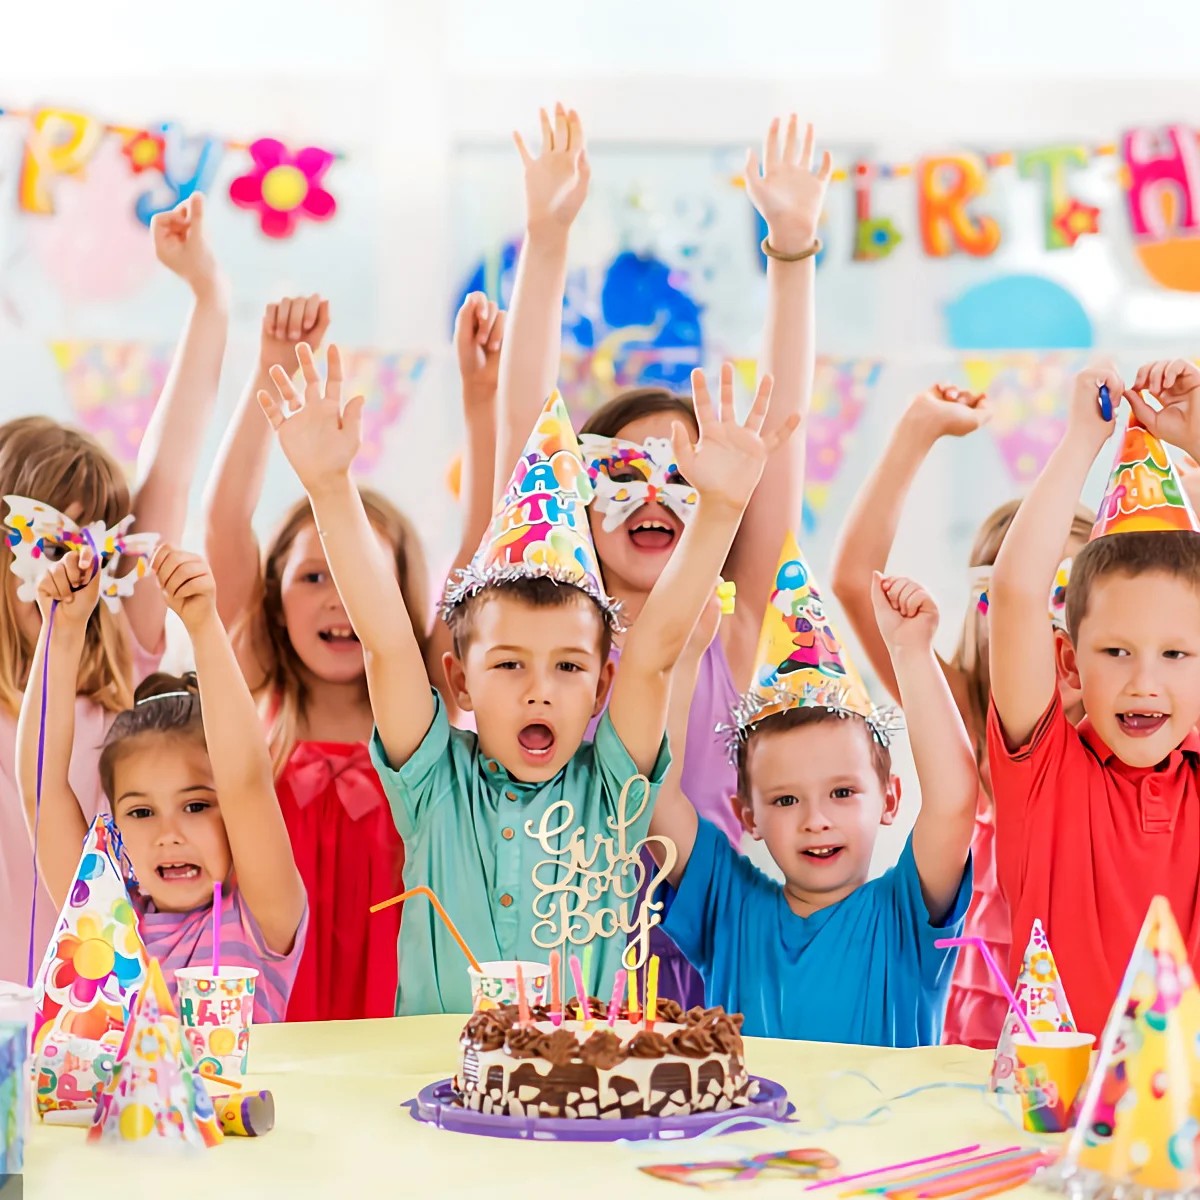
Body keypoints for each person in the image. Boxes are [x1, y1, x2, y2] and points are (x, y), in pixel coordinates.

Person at [258, 334, 795, 1013]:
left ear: (602, 687)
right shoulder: (430, 784)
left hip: (583, 1099)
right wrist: (331, 490)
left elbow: (658, 651)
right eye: (508, 664)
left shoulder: (615, 790)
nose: (539, 688)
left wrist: (719, 509)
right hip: (429, 1097)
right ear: (459, 682)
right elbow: (388, 644)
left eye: (569, 666)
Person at [485, 106, 829, 1006]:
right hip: (553, 938)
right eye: (623, 473)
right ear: (577, 501)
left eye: (684, 477)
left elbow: (779, 433)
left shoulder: (731, 622)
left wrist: (792, 255)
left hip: (708, 944)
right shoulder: (549, 620)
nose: (651, 497)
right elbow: (527, 429)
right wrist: (548, 235)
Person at [202, 293, 503, 1020]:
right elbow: (224, 519)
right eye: (312, 577)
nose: (340, 599)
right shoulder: (254, 689)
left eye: (360, 575)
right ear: (272, 599)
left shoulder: (423, 697)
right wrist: (269, 373)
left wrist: (481, 402)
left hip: (397, 1002)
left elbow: (484, 542)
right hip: (273, 997)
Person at [0, 193, 227, 985]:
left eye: (95, 536)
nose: (71, 560)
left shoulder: (126, 651)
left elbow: (175, 454)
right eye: (44, 534)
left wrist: (205, 295)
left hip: (106, 1012)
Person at [829, 383, 1093, 1050]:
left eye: (1068, 598)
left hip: (1096, 996)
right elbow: (857, 579)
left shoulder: (1133, 723)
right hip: (980, 1016)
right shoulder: (963, 704)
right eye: (1023, 602)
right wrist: (917, 431)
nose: (1048, 629)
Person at [649, 537, 976, 1045]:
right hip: (750, 1129)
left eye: (842, 792)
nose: (815, 820)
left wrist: (912, 653)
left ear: (890, 798)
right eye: (785, 799)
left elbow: (954, 804)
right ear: (748, 816)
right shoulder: (729, 905)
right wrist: (688, 655)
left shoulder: (904, 913)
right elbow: (655, 798)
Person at [988, 359, 1200, 1038]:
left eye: (1176, 654)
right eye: (1117, 653)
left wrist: (1195, 441)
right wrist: (1082, 440)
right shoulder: (1046, 776)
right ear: (1069, 665)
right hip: (1053, 1123)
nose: (1145, 681)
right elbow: (1018, 596)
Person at [17, 544, 306, 1019]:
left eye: (195, 806)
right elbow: (40, 786)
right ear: (115, 826)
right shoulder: (105, 917)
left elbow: (248, 779)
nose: (169, 833)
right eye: (141, 812)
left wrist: (202, 624)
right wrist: (63, 631)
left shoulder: (262, 917)